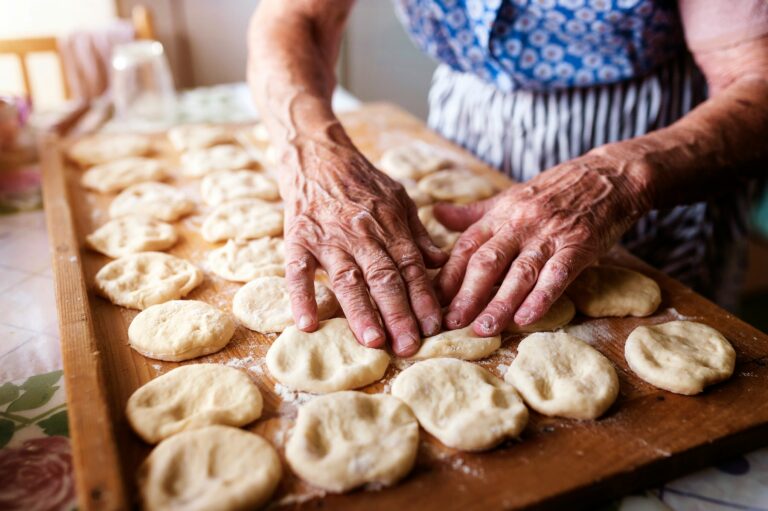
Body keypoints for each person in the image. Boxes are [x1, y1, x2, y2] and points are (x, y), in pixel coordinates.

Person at [248, 0, 768, 357]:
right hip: (467, 128)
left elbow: (756, 79)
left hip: (658, 149)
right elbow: (296, 18)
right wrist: (309, 152)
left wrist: (621, 180)